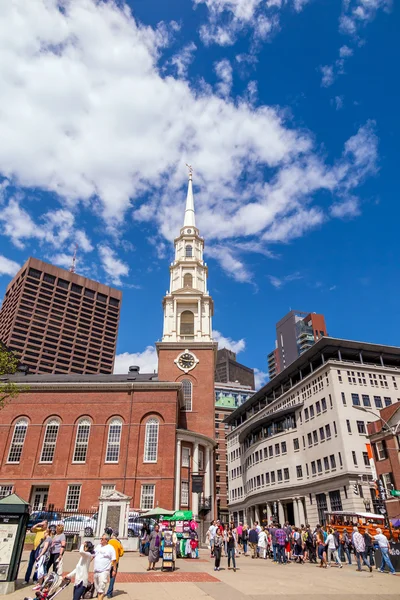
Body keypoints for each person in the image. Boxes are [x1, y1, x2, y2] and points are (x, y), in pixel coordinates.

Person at [94, 534, 117, 600]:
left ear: (106, 540)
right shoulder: (98, 546)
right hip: (96, 571)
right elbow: (93, 554)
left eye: (102, 539)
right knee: (98, 590)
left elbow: (114, 560)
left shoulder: (110, 548)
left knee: (101, 591)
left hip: (104, 571)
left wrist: (114, 570)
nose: (100, 540)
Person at [25, 520, 48, 584]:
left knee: (37, 565)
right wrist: (38, 523)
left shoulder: (46, 531)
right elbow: (32, 529)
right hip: (34, 549)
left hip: (40, 550)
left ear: (46, 525)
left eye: (44, 524)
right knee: (30, 564)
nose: (42, 526)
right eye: (42, 524)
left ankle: (35, 579)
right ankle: (26, 579)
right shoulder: (39, 529)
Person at [106, 531, 124, 598]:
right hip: (115, 562)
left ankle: (100, 592)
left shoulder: (109, 542)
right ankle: (109, 593)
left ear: (112, 535)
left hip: (107, 561)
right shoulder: (118, 542)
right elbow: (122, 553)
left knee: (104, 576)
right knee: (112, 577)